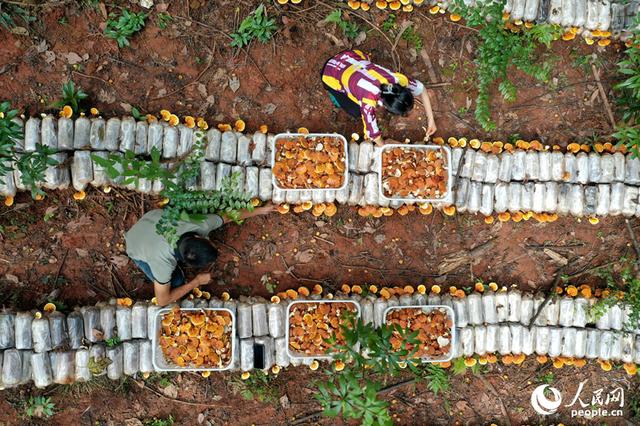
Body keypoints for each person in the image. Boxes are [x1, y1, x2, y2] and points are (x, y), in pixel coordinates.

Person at [125, 206, 273, 306]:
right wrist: (195, 282)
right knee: (177, 281)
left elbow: (227, 217)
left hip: (149, 222)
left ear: (198, 237)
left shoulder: (200, 224)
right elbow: (162, 300)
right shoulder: (162, 263)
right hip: (135, 247)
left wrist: (261, 210)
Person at [321, 50, 437, 146]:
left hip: (349, 57)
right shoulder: (367, 101)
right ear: (386, 106)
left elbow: (422, 89)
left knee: (363, 71)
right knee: (355, 111)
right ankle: (335, 97)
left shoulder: (397, 80)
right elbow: (373, 134)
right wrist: (385, 146)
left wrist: (431, 119)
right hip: (330, 73)